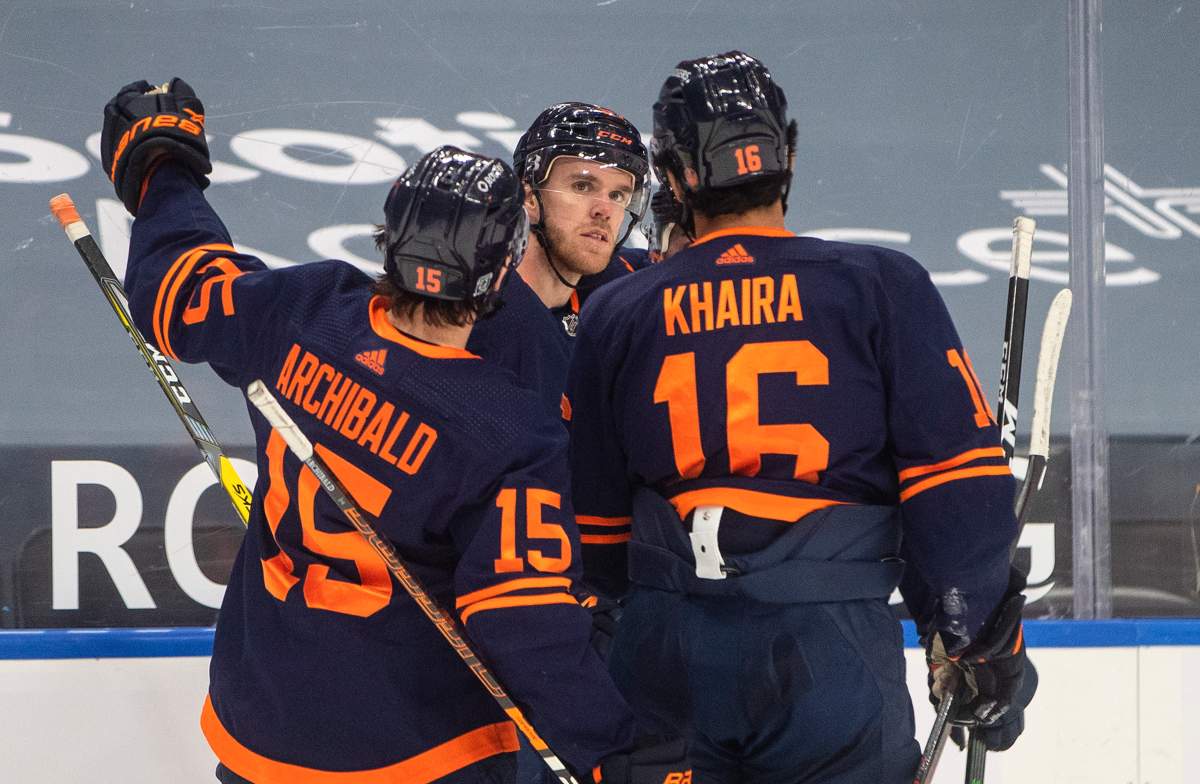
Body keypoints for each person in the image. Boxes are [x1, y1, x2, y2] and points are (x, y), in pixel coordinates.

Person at [100, 78, 689, 784]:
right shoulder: (504, 426)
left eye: (619, 194)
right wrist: (611, 749)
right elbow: (519, 615)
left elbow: (179, 288)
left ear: (390, 236)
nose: (604, 209)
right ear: (504, 264)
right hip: (419, 753)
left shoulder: (303, 310)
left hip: (261, 728)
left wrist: (160, 167)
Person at [565, 51, 1036, 783]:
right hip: (826, 644)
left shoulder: (617, 312)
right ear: (786, 153)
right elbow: (956, 487)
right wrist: (974, 637)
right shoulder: (880, 286)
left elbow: (594, 531)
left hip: (666, 648)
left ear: (679, 175)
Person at [467, 102, 650, 421]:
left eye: (618, 195)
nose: (604, 210)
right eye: (582, 186)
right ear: (529, 197)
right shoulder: (479, 322)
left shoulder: (624, 284)